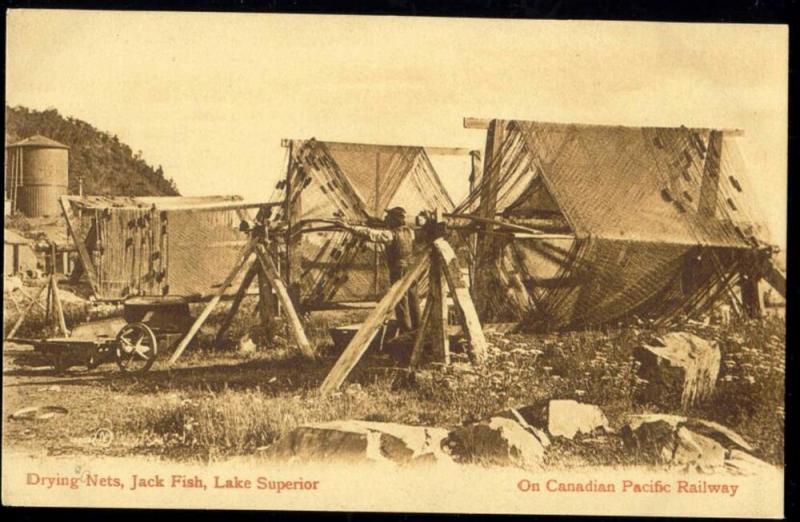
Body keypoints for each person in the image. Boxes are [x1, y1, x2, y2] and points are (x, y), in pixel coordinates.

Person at [336, 207, 421, 332]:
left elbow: (370, 234)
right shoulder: (410, 232)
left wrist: (348, 227)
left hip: (398, 270)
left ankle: (406, 331)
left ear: (394, 220)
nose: (386, 219)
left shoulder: (391, 234)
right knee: (413, 298)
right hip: (411, 269)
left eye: (389, 217)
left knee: (400, 300)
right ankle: (418, 328)